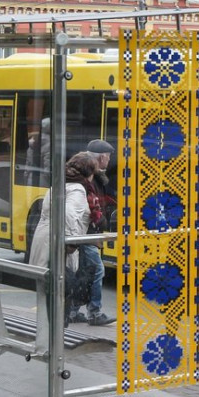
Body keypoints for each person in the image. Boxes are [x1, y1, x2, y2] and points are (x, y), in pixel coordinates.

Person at [28, 152, 100, 326]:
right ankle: (54, 345)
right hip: (56, 251)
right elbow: (68, 215)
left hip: (44, 244)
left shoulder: (60, 185)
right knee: (59, 306)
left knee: (50, 303)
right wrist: (71, 243)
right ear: (88, 173)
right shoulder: (77, 189)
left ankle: (50, 342)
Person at [80, 139, 116, 326]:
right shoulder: (87, 178)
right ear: (102, 157)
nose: (109, 160)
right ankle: (94, 312)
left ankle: (72, 310)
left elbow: (102, 199)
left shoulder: (97, 177)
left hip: (88, 233)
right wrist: (100, 219)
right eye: (108, 157)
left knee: (83, 271)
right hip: (85, 232)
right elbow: (91, 204)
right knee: (97, 269)